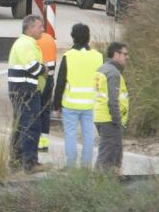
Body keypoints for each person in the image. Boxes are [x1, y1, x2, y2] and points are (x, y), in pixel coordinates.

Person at [52, 23, 102, 169]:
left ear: (73, 37)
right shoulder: (98, 57)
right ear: (88, 37)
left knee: (70, 136)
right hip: (91, 104)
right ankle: (86, 167)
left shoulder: (69, 56)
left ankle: (70, 167)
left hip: (71, 104)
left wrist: (56, 104)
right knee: (88, 136)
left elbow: (60, 82)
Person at [7, 15, 45, 171]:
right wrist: (44, 69)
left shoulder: (24, 43)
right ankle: (30, 162)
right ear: (30, 29)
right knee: (31, 126)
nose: (42, 29)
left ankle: (16, 158)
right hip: (25, 91)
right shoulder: (26, 44)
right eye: (39, 26)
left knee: (20, 126)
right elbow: (33, 68)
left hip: (20, 90)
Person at [94, 42, 130, 172]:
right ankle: (99, 184)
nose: (127, 57)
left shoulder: (102, 69)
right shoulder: (113, 73)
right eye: (124, 54)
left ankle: (109, 183)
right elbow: (112, 100)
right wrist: (117, 120)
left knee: (111, 155)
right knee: (108, 159)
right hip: (110, 120)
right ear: (116, 54)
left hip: (101, 117)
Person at [36, 30, 57, 152]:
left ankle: (37, 141)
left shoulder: (33, 41)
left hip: (39, 80)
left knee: (36, 110)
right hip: (49, 79)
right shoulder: (50, 39)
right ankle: (44, 142)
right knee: (45, 111)